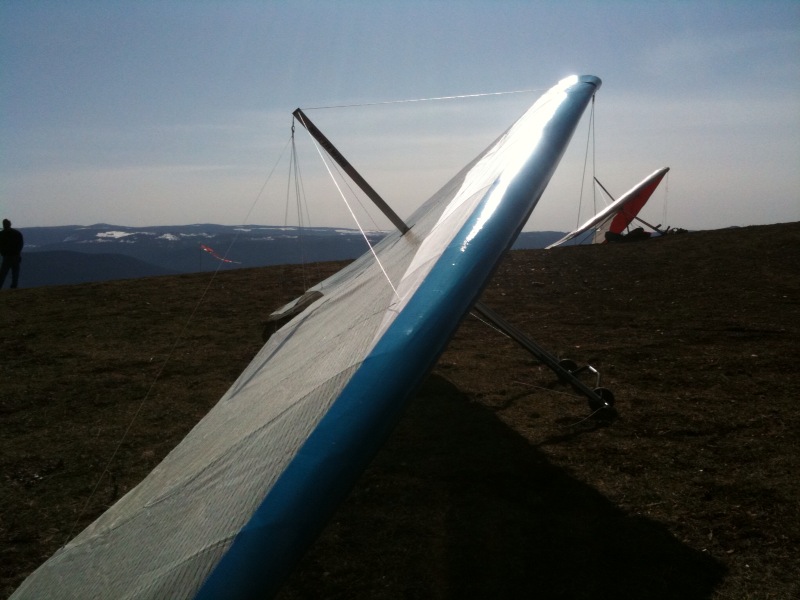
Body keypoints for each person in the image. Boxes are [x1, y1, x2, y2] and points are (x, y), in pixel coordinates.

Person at [0, 218, 24, 289]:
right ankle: (14, 287)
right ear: (10, 224)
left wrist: (2, 252)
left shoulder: (1, 234)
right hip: (16, 256)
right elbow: (20, 244)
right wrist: (18, 253)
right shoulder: (17, 233)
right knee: (15, 273)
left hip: (7, 256)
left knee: (3, 273)